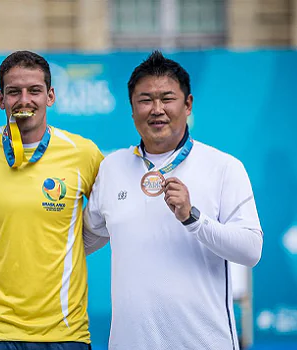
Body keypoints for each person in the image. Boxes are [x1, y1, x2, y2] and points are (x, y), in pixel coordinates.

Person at [84, 50, 263, 349]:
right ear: (131, 109)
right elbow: (83, 241)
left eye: (167, 98)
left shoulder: (224, 167)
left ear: (188, 104)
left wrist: (193, 218)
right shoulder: (111, 167)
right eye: (145, 100)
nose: (156, 109)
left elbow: (251, 250)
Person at [0, 51, 104, 349]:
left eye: (35, 91)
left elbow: (111, 215)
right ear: (1, 99)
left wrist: (72, 248)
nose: (24, 100)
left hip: (65, 333)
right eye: (14, 91)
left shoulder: (83, 153)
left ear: (51, 96)